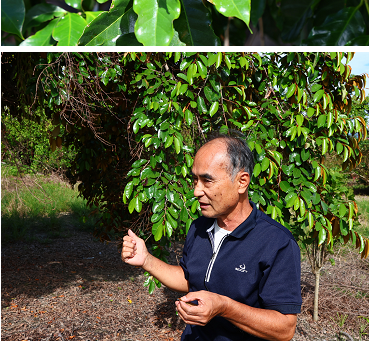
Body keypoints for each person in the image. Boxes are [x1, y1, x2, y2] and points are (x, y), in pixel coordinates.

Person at [122, 133, 302, 340]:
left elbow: (285, 329)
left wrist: (224, 307)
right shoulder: (199, 227)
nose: (197, 191)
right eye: (195, 180)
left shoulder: (277, 243)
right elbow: (191, 278)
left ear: (242, 182)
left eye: (207, 180)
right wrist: (146, 259)